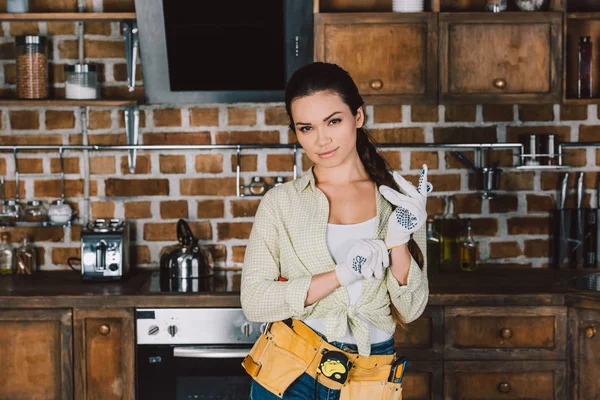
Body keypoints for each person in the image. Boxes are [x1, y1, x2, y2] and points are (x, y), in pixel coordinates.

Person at [240, 62, 430, 400]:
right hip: (290, 368)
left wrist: (398, 242)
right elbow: (254, 302)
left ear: (358, 116)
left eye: (333, 121)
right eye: (306, 128)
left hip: (370, 374)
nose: (322, 139)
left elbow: (411, 309)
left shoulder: (397, 201)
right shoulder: (280, 203)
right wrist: (341, 274)